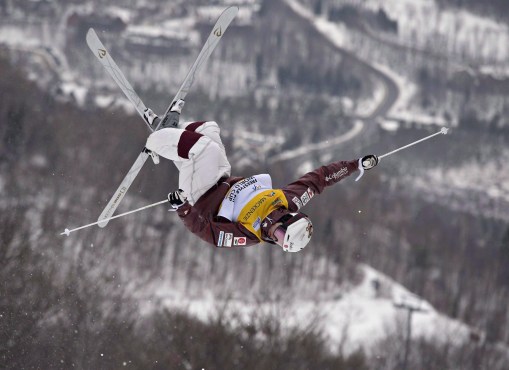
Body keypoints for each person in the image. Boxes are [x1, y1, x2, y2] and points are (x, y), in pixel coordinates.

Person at [143, 99, 378, 252]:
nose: (272, 236)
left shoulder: (250, 233)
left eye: (277, 241)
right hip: (221, 177)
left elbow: (209, 233)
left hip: (200, 195)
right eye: (279, 233)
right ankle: (170, 133)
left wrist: (184, 209)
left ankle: (157, 139)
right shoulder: (290, 200)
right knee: (208, 129)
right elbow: (320, 178)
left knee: (207, 149)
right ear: (288, 218)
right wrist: (355, 165)